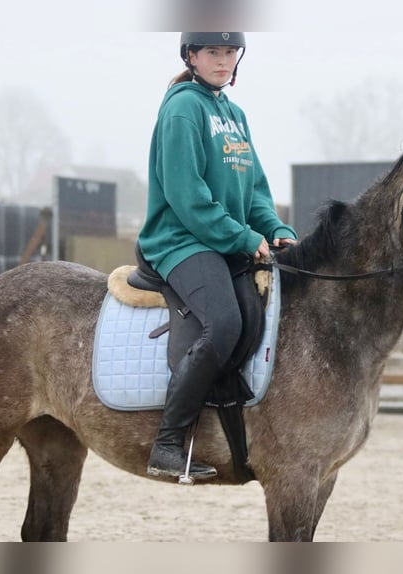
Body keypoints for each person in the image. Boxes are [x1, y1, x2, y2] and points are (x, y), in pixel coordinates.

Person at [138, 32, 298, 480]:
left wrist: (277, 229)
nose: (223, 61)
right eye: (213, 52)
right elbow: (187, 196)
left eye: (230, 52)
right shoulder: (182, 108)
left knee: (259, 315)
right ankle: (168, 443)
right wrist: (243, 238)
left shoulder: (235, 114)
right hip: (181, 239)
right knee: (224, 322)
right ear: (191, 55)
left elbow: (256, 193)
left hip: (223, 239)